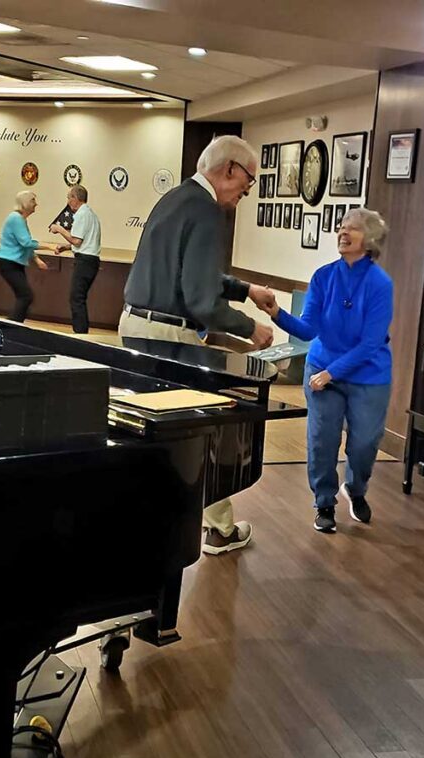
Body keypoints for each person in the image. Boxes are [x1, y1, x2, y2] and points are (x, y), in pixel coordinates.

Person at [121, 135, 276, 556]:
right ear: (229, 169)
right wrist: (251, 329)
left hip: (136, 326)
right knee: (201, 430)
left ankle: (149, 515)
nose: (247, 191)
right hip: (170, 335)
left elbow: (189, 276)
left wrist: (247, 289)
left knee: (152, 430)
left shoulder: (175, 199)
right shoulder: (207, 212)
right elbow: (202, 300)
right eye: (249, 181)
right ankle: (217, 530)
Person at [258, 208, 393, 533]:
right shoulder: (323, 276)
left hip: (368, 374)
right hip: (322, 369)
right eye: (342, 226)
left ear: (370, 239)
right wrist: (276, 313)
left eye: (353, 228)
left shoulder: (380, 284)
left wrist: (331, 373)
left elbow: (370, 343)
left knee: (364, 444)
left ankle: (356, 489)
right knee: (322, 439)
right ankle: (324, 502)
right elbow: (307, 329)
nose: (343, 233)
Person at [0, 191, 61, 322]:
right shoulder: (15, 218)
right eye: (33, 200)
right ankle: (11, 327)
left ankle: (14, 325)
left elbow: (25, 244)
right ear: (25, 203)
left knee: (24, 296)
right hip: (8, 263)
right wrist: (50, 246)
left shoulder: (21, 219)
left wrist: (36, 259)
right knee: (25, 296)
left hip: (14, 263)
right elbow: (26, 242)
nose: (36, 203)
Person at [49, 185, 102, 333]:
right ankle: (81, 332)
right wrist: (65, 247)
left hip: (85, 262)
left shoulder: (81, 215)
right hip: (90, 260)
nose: (67, 201)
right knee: (79, 298)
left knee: (76, 299)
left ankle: (80, 334)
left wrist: (59, 229)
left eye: (69, 197)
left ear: (75, 198)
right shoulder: (90, 214)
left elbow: (77, 240)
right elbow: (84, 241)